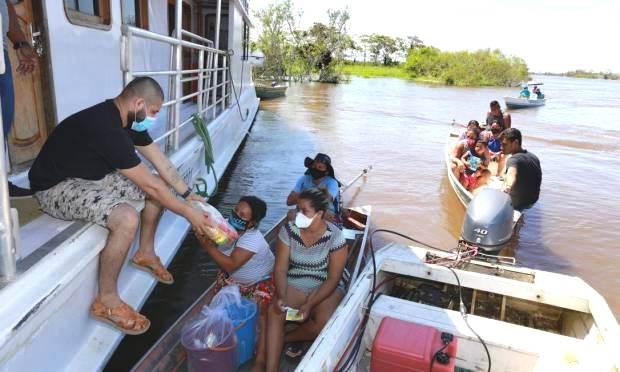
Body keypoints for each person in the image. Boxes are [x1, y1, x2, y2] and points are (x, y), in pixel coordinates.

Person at [28, 77, 213, 335]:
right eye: (154, 112)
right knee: (126, 218)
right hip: (55, 187)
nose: (154, 118)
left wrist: (187, 194)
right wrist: (188, 214)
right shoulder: (105, 127)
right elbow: (149, 186)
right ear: (138, 102)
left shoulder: (129, 121)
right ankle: (107, 300)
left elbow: (161, 164)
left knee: (162, 187)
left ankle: (145, 252)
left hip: (90, 175)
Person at [265, 188, 347, 372]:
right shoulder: (288, 230)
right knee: (275, 311)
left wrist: (310, 304)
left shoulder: (335, 236)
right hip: (297, 279)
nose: (298, 214)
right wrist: (282, 295)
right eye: (297, 208)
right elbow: (281, 268)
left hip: (325, 284)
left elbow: (334, 277)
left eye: (304, 211)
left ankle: (285, 338)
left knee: (325, 322)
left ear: (320, 214)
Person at [195, 196, 274, 372]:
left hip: (258, 282)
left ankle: (260, 360)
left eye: (242, 215)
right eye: (236, 210)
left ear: (252, 222)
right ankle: (203, 340)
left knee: (263, 316)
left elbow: (230, 265)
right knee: (211, 305)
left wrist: (208, 247)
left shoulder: (252, 239)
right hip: (232, 280)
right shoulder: (227, 227)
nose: (236, 215)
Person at [1, 0, 38, 197]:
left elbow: (4, 6)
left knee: (3, 121)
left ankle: (0, 184)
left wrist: (21, 43)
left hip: (0, 53)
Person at [500, 128, 542, 211]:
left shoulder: (513, 160)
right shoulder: (534, 157)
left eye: (504, 144)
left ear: (515, 142)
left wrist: (507, 188)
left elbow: (511, 174)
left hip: (518, 204)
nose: (501, 147)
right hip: (532, 201)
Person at [286, 153, 340, 217]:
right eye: (314, 165)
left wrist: (303, 196)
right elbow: (289, 202)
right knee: (291, 214)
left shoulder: (332, 183)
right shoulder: (304, 179)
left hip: (326, 213)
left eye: (320, 167)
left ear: (326, 172)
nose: (316, 168)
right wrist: (309, 195)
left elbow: (326, 201)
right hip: (304, 211)